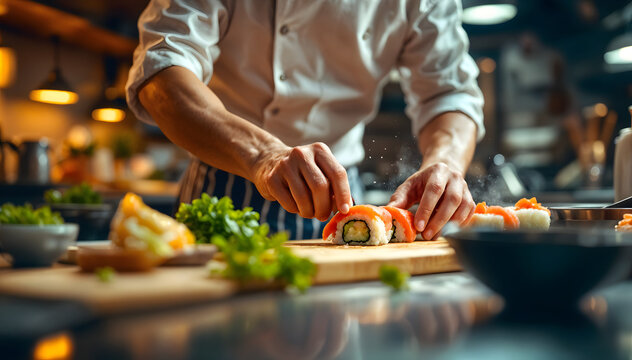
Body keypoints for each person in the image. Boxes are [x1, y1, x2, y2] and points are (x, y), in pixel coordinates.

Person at [126, 0, 484, 240]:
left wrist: (446, 163)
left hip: (343, 201)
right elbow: (161, 69)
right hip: (225, 182)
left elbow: (449, 94)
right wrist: (263, 155)